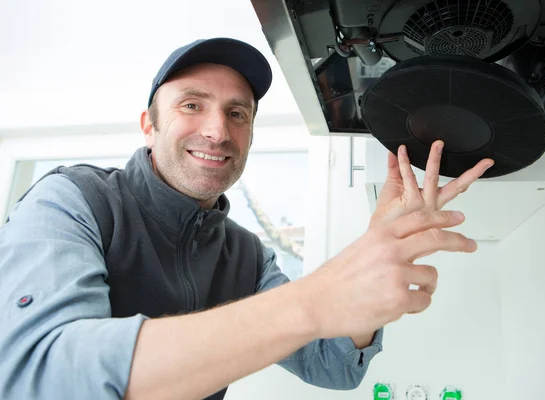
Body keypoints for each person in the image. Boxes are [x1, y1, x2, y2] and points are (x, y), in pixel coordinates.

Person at [0, 37, 494, 400]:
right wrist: (316, 297)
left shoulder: (246, 255)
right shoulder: (71, 201)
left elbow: (333, 368)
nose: (217, 130)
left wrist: (378, 254)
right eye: (192, 105)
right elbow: (39, 373)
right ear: (149, 125)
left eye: (238, 114)